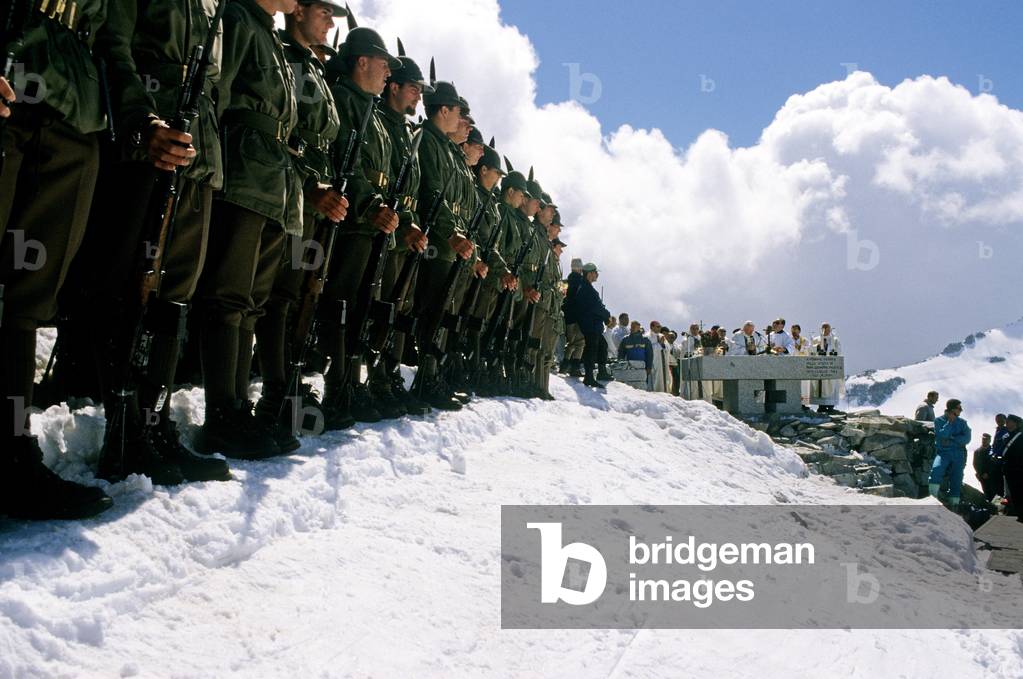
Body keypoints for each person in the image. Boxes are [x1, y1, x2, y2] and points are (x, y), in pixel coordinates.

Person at [0, 1, 127, 519]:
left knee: (28, 295)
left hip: (75, 107)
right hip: (12, 79)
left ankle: (10, 455)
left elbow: (113, 39)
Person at [192, 0, 302, 459]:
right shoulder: (238, 19)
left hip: (271, 180)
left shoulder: (266, 32)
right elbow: (218, 96)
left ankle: (238, 406)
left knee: (252, 304)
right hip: (242, 172)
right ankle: (221, 414)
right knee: (228, 297)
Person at [253, 0, 352, 448]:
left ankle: (285, 380)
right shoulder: (284, 57)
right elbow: (289, 133)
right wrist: (312, 185)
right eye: (324, 12)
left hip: (311, 196)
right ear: (299, 13)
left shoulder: (309, 68)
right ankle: (274, 388)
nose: (330, 24)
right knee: (277, 295)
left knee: (296, 293)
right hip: (291, 188)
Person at [928, 399, 972, 510]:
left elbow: (967, 439)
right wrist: (950, 423)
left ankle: (954, 507)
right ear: (952, 409)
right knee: (936, 469)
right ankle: (932, 500)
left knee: (957, 478)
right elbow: (942, 436)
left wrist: (951, 438)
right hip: (944, 453)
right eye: (959, 408)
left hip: (958, 454)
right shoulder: (939, 420)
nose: (961, 410)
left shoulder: (962, 423)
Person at [574, 263, 609, 388]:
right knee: (591, 350)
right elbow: (596, 307)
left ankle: (601, 373)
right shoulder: (586, 289)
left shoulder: (586, 287)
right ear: (589, 274)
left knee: (601, 346)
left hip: (593, 324)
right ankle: (589, 377)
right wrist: (606, 315)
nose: (597, 274)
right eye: (595, 272)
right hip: (591, 325)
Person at [811, 322, 843, 413]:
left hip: (831, 366)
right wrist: (817, 348)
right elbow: (811, 350)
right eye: (823, 327)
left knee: (831, 384)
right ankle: (821, 406)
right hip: (819, 366)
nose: (825, 329)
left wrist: (830, 352)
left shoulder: (835, 339)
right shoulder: (816, 339)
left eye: (827, 327)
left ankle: (831, 405)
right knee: (820, 386)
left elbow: (838, 351)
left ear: (830, 329)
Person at [1002, 415, 1023, 520]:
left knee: (1018, 492)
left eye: (1009, 421)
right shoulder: (1005, 436)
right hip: (1006, 469)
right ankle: (1007, 510)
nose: (1007, 423)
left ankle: (1019, 513)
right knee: (1006, 493)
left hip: (1017, 470)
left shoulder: (1020, 436)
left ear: (1015, 423)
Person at [790, 324, 813, 407]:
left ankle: (804, 404)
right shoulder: (788, 340)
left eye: (795, 330)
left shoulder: (804, 340)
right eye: (792, 330)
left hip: (802, 366)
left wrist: (799, 347)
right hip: (792, 366)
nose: (794, 332)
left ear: (799, 331)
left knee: (804, 385)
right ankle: (793, 402)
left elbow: (809, 350)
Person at [973, 433, 1000, 502]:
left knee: (996, 493)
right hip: (982, 477)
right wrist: (980, 473)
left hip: (992, 477)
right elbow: (975, 464)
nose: (984, 441)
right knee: (986, 492)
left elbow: (994, 464)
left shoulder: (993, 450)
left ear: (989, 440)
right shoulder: (977, 451)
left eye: (986, 439)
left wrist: (988, 473)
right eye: (983, 439)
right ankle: (991, 508)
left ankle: (999, 509)